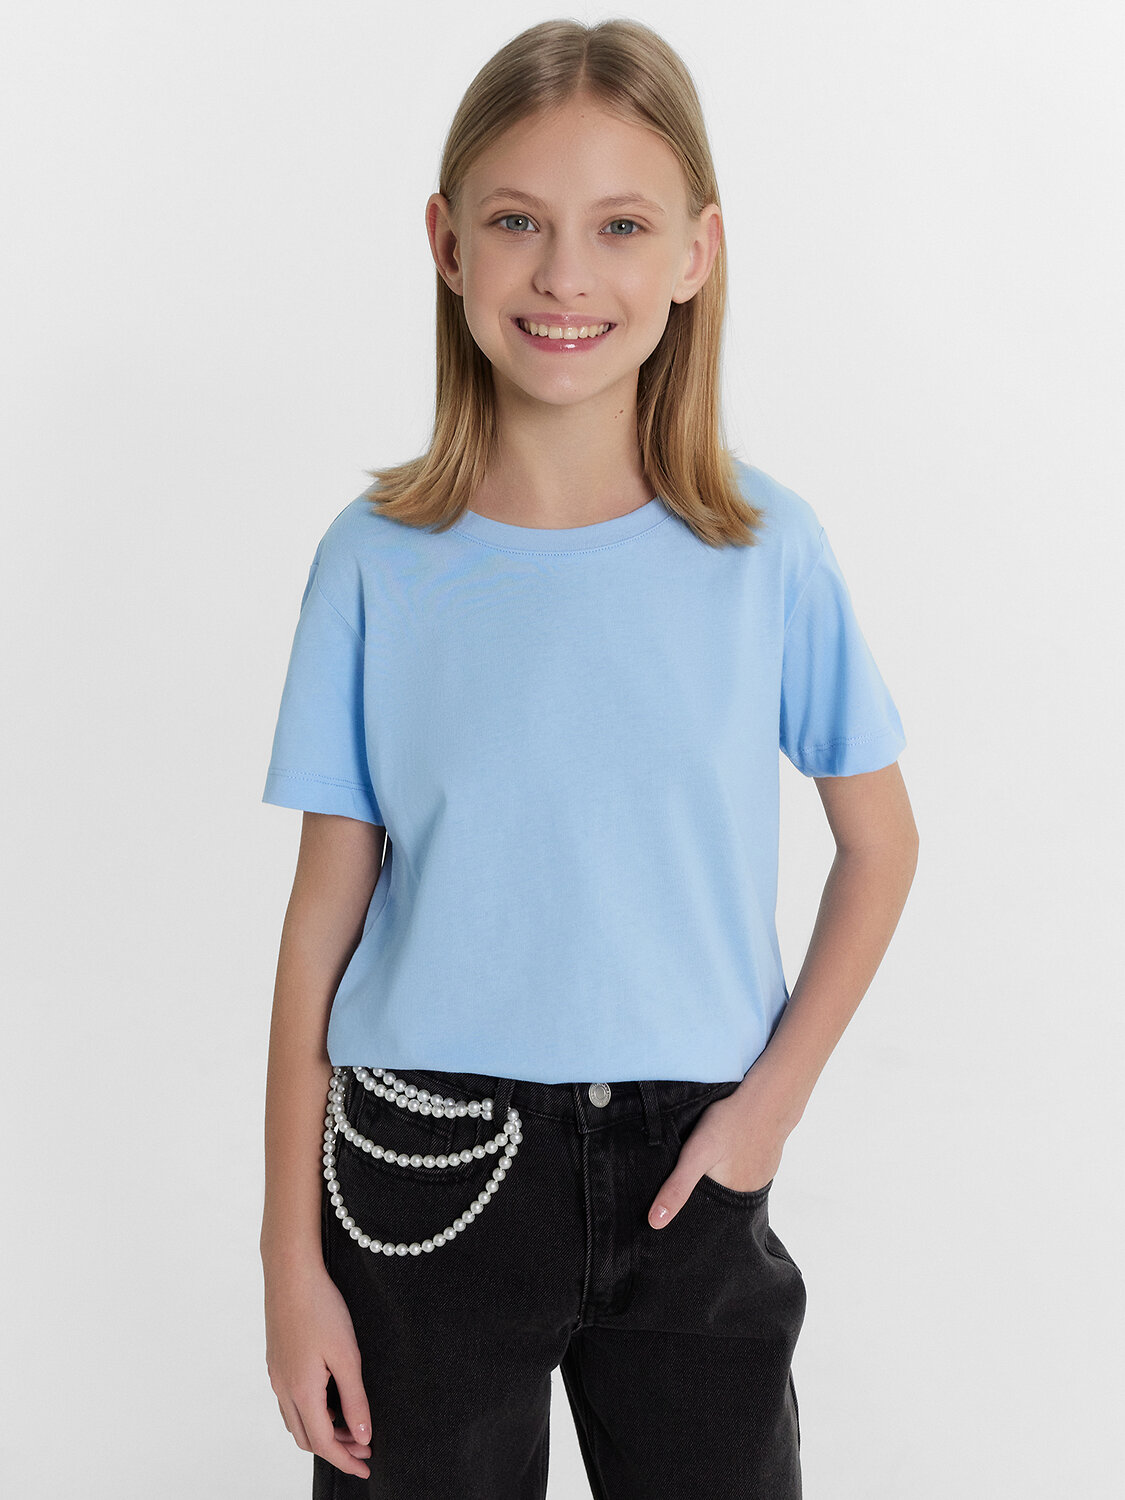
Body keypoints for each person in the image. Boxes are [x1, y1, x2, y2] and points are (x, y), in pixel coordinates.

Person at [258, 17, 919, 1499]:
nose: (565, 275)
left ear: (695, 252)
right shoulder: (375, 559)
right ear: (447, 244)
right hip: (425, 1163)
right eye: (517, 223)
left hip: (694, 1162)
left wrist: (767, 1111)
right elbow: (320, 921)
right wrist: (287, 1260)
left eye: (619, 226)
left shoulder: (765, 550)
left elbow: (880, 845)